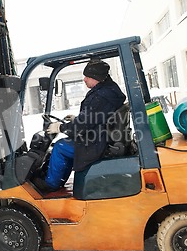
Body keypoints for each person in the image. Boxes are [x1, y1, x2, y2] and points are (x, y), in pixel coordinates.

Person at [34, 60, 126, 192]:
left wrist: (60, 127)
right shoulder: (107, 92)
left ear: (97, 78)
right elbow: (93, 119)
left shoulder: (101, 97)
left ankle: (51, 184)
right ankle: (57, 181)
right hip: (100, 136)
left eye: (88, 76)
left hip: (97, 143)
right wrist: (76, 119)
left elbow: (81, 127)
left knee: (60, 147)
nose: (84, 79)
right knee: (64, 146)